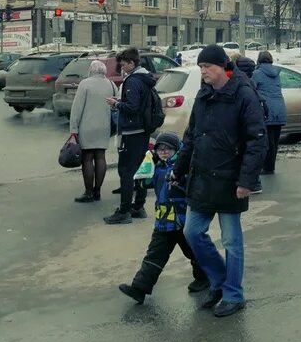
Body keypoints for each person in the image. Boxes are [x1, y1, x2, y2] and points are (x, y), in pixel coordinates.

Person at [172, 44, 267, 318]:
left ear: (222, 67)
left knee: (231, 241)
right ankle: (219, 282)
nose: (203, 73)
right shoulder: (203, 94)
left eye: (207, 67)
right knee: (192, 232)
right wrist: (179, 168)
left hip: (230, 179)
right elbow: (192, 135)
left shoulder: (244, 94)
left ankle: (233, 295)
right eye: (201, 68)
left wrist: (246, 180)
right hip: (202, 177)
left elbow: (257, 140)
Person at [118, 133, 211, 304]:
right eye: (160, 149)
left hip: (182, 221)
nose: (163, 152)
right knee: (154, 255)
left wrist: (181, 179)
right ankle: (140, 288)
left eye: (168, 149)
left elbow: (194, 185)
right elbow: (147, 183)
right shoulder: (157, 167)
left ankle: (205, 278)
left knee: (195, 252)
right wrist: (143, 175)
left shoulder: (183, 168)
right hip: (163, 224)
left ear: (177, 150)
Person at [104, 48, 157, 225]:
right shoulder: (145, 78)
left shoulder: (133, 81)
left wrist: (116, 103)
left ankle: (125, 211)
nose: (121, 66)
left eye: (123, 63)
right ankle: (138, 206)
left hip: (131, 131)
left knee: (126, 171)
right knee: (140, 170)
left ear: (132, 63)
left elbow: (132, 107)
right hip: (142, 130)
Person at [69, 60, 117, 203]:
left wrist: (73, 129)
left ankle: (88, 192)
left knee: (87, 158)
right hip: (104, 126)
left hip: (87, 127)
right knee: (101, 157)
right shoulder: (111, 84)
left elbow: (77, 108)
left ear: (91, 70)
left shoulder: (85, 84)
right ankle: (98, 191)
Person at [251, 51, 286, 180]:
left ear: (259, 61)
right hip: (280, 108)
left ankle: (267, 168)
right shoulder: (276, 73)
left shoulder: (257, 74)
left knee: (266, 141)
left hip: (267, 109)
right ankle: (270, 167)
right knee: (274, 141)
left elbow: (251, 89)